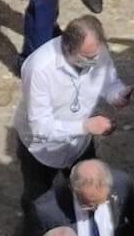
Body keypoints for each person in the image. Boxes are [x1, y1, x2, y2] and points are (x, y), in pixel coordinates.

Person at [14, 16, 127, 201]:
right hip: (42, 149)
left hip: (79, 144)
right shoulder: (39, 69)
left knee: (88, 191)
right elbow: (41, 127)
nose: (96, 61)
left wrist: (118, 94)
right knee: (38, 198)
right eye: (89, 58)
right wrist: (85, 127)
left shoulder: (95, 51)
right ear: (68, 49)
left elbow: (108, 80)